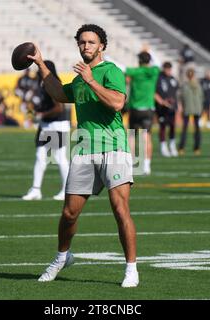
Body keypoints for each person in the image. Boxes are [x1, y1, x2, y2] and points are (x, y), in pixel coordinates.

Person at [27, 24, 138, 287]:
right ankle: (62, 257)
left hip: (114, 148)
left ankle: (131, 268)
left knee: (120, 209)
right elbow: (58, 93)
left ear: (102, 46)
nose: (86, 46)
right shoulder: (79, 78)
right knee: (68, 213)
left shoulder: (111, 71)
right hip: (85, 150)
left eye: (91, 42)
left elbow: (117, 103)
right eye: (82, 42)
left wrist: (90, 79)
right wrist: (41, 64)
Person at [22, 60, 70, 201]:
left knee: (60, 158)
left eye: (40, 68)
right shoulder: (41, 84)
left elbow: (59, 108)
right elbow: (41, 106)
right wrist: (34, 113)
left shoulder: (52, 83)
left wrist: (41, 115)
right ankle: (36, 190)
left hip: (56, 124)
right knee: (40, 156)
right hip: (46, 125)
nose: (37, 71)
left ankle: (67, 190)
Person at [125, 51, 159, 175]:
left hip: (135, 108)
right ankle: (146, 166)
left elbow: (123, 69)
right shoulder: (154, 71)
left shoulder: (135, 71)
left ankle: (131, 164)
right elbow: (157, 62)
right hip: (148, 109)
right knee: (147, 137)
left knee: (132, 136)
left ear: (139, 60)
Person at [155, 62, 179, 157]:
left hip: (172, 107)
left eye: (170, 69)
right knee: (163, 126)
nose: (168, 71)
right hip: (162, 108)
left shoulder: (173, 79)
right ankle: (163, 146)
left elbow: (176, 93)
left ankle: (172, 145)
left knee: (173, 126)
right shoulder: (159, 79)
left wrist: (178, 104)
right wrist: (161, 101)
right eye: (167, 69)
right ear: (163, 69)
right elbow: (154, 92)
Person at [178, 68, 204, 155]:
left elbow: (201, 97)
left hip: (193, 109)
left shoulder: (194, 85)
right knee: (187, 129)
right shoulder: (187, 85)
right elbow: (181, 98)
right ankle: (184, 147)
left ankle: (194, 148)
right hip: (190, 109)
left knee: (195, 129)